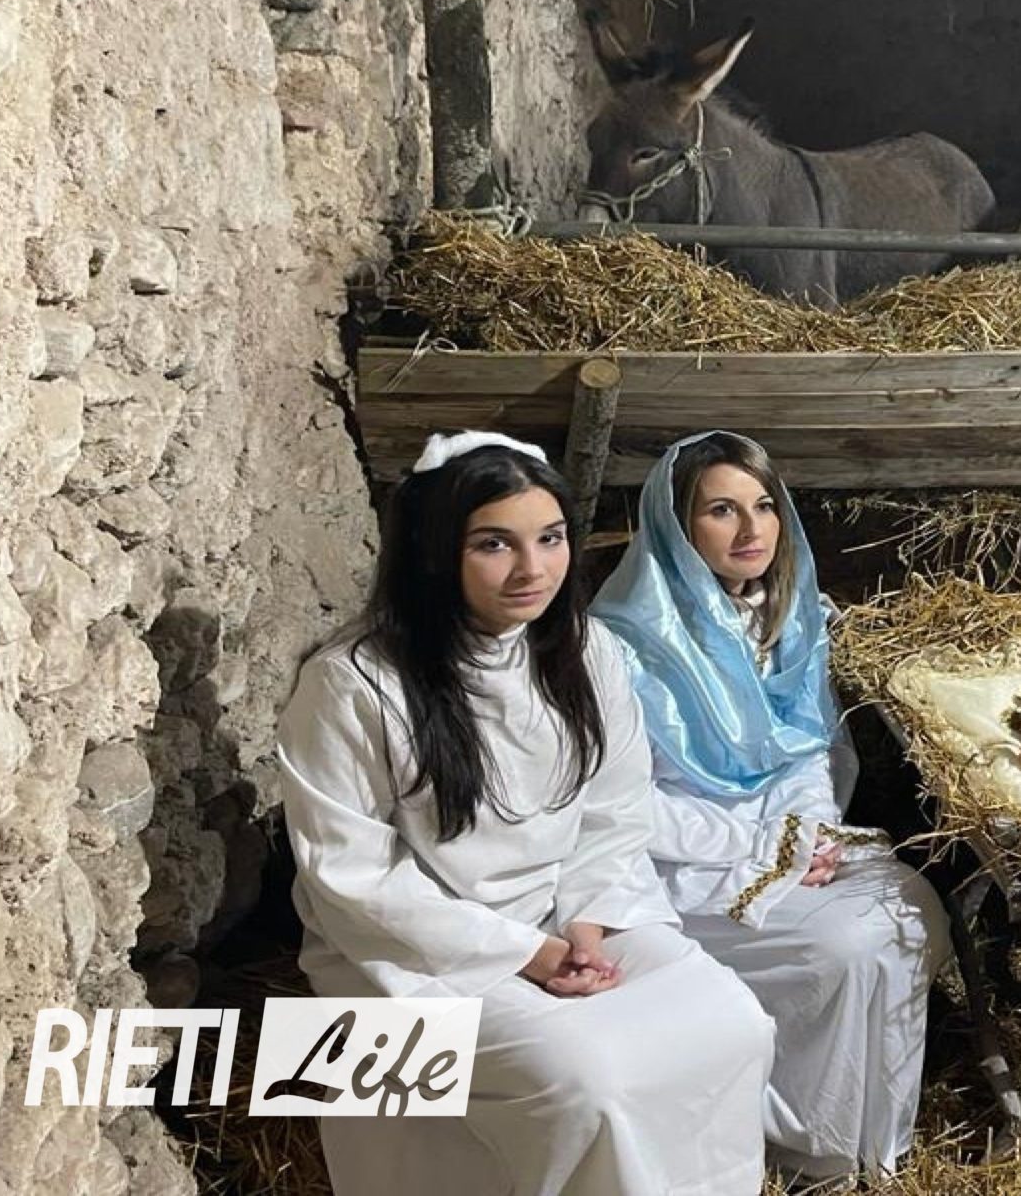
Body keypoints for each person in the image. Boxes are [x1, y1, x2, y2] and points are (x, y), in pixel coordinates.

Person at [277, 431, 776, 1196]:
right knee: (588, 1082)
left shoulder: (585, 649)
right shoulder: (352, 685)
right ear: (435, 550)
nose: (532, 569)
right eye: (494, 544)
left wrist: (585, 923)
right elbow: (358, 878)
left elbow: (614, 809)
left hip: (569, 916)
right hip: (414, 955)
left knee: (733, 1024)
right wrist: (527, 953)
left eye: (549, 538)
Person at [590, 430, 950, 1184]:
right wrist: (762, 847)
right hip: (684, 865)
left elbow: (811, 750)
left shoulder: (788, 619)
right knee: (844, 943)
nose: (751, 529)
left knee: (908, 907)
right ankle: (804, 1145)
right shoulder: (618, 644)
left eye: (764, 505)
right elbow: (625, 802)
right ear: (677, 525)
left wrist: (809, 834)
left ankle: (872, 1146)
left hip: (789, 840)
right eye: (722, 509)